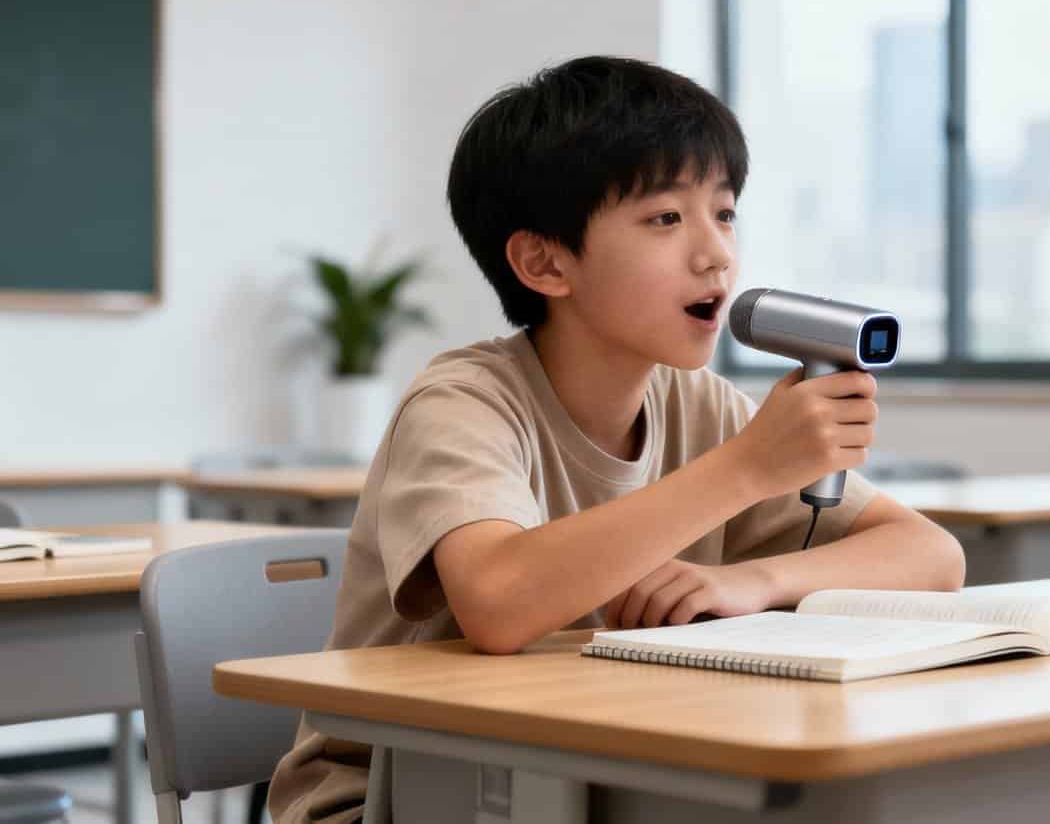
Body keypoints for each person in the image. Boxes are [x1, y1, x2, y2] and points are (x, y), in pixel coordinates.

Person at [267, 56, 965, 824]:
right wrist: (746, 469)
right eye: (666, 218)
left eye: (724, 213)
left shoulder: (701, 405)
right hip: (404, 794)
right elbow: (498, 604)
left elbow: (932, 556)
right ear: (545, 261)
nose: (715, 254)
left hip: (602, 766)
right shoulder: (463, 402)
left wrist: (751, 583)